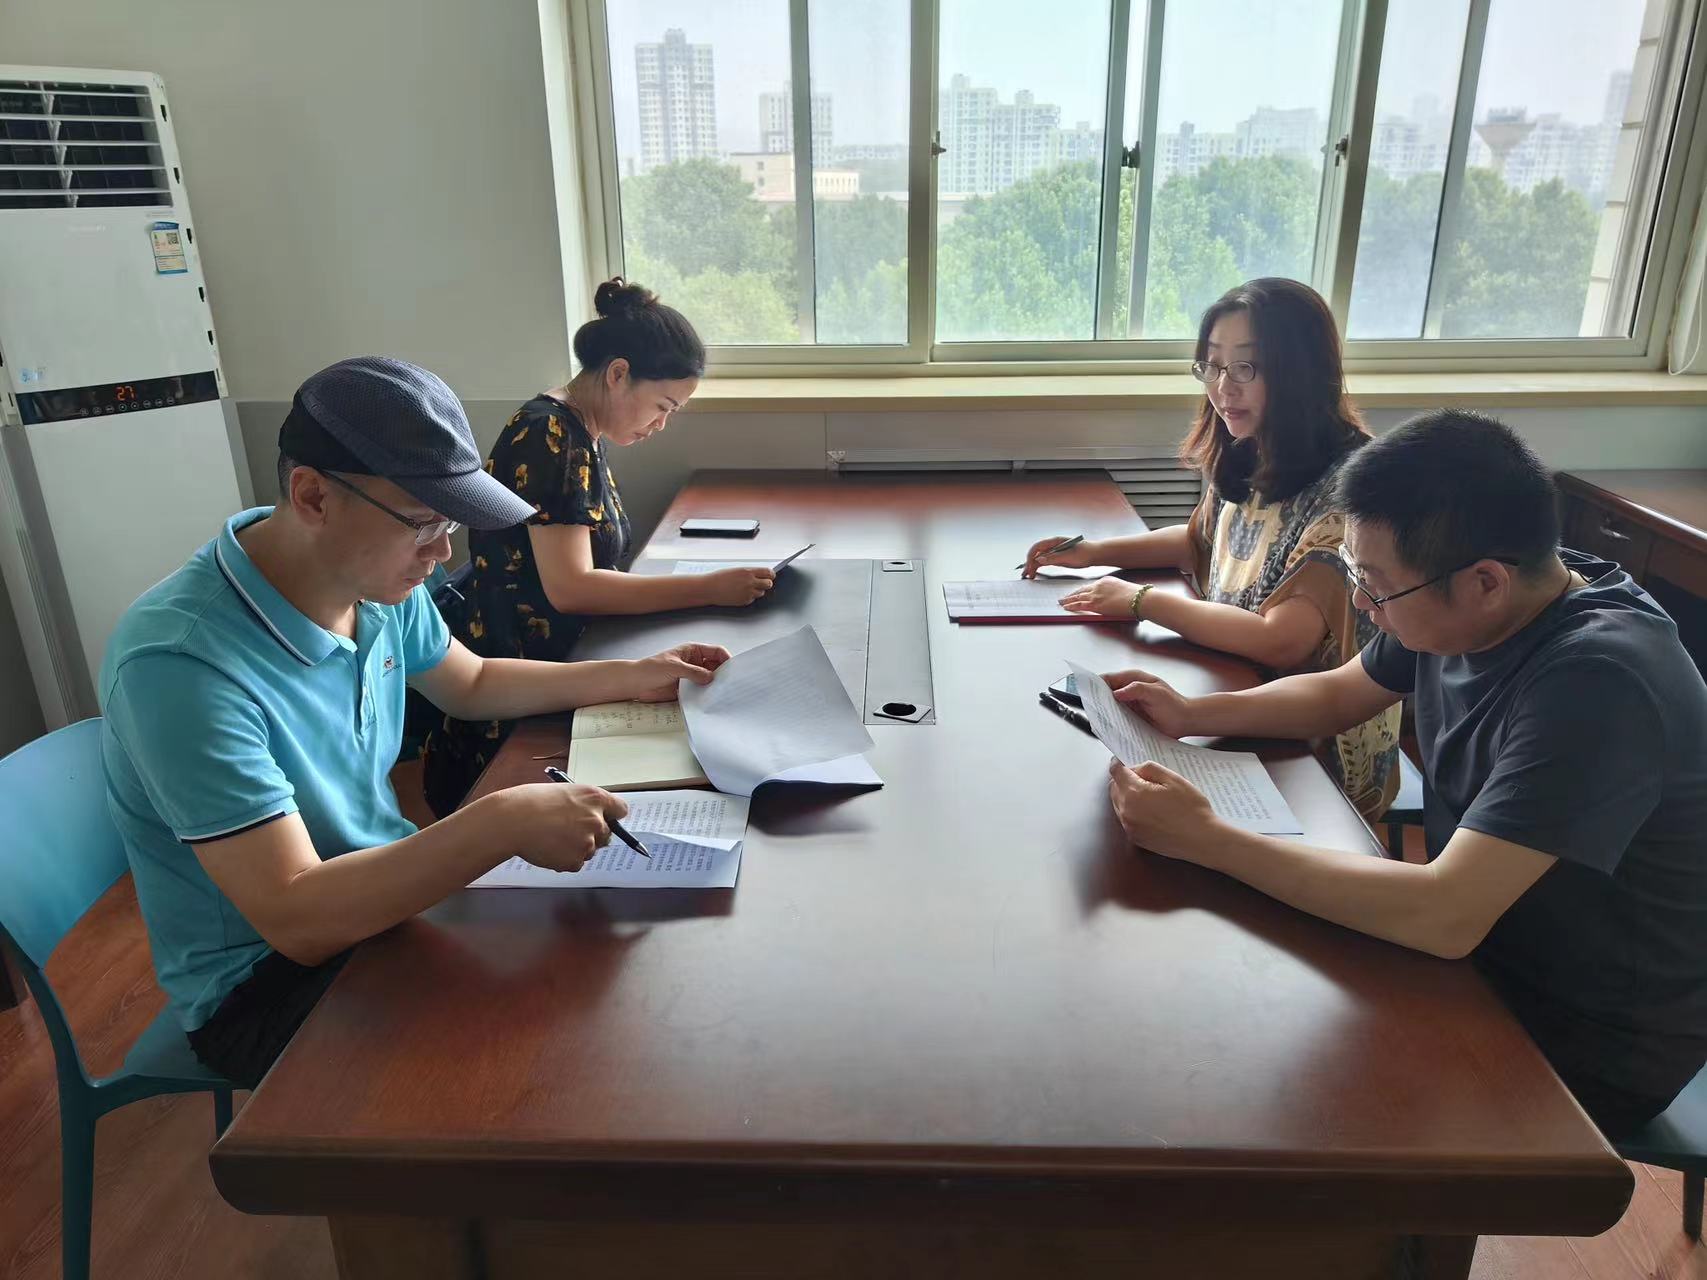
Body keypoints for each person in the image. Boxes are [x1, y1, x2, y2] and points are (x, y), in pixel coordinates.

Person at [99, 356, 730, 1087]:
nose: (442, 554)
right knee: (553, 1060)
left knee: (607, 983)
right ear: (313, 497)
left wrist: (631, 675)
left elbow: (471, 681)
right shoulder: (180, 665)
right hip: (267, 980)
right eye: (424, 524)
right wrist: (498, 824)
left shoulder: (369, 583)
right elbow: (296, 918)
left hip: (381, 899)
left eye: (450, 523)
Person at [1100, 409, 1707, 1136]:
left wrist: (1208, 838)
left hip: (1580, 1028)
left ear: (1484, 583)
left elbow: (1444, 915)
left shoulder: (1600, 683)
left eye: (1376, 587)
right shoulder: (1484, 594)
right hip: (1481, 944)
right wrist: (1193, 713)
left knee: (1262, 1091)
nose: (1362, 604)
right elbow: (1337, 693)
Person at [1021, 278, 1399, 818]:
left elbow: (1282, 642)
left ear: (1302, 372)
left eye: (1246, 367)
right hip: (1234, 691)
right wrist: (1094, 552)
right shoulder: (1250, 446)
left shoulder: (1348, 487)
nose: (1224, 388)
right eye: (1213, 366)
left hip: (1309, 748)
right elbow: (1200, 540)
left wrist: (1142, 601)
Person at [421, 278, 770, 815]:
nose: (661, 424)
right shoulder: (550, 437)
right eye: (662, 405)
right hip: (523, 686)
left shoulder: (579, 430)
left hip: (565, 658)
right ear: (618, 374)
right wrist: (709, 588)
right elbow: (572, 588)